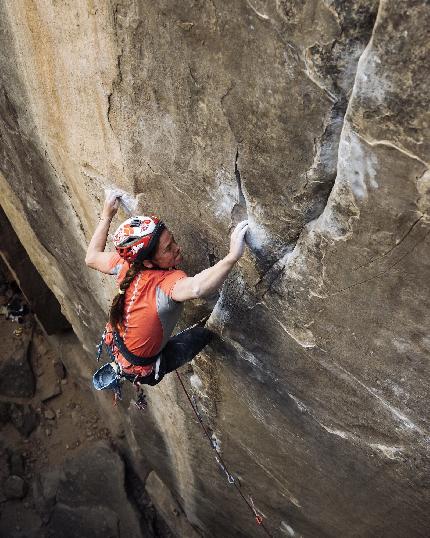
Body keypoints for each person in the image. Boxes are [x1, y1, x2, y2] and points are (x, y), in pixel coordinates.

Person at [85, 191, 248, 398]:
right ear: (147, 262)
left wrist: (106, 214)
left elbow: (92, 257)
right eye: (168, 248)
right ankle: (141, 367)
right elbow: (197, 288)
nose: (177, 248)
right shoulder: (166, 285)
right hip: (143, 368)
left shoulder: (126, 265)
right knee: (202, 335)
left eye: (172, 240)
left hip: (117, 342)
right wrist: (232, 257)